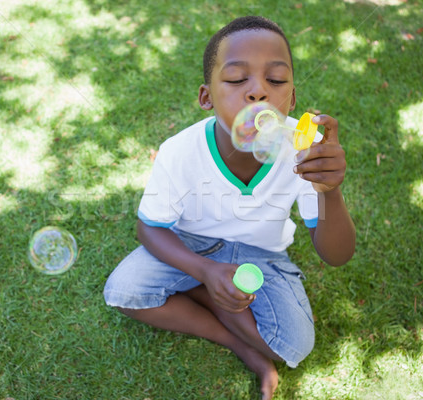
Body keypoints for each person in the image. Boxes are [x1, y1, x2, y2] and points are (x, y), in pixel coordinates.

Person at [104, 16, 356, 400]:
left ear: (291, 99)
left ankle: (217, 301)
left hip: (263, 257)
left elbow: (336, 254)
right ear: (207, 97)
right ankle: (233, 334)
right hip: (192, 245)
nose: (258, 91)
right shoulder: (180, 151)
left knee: (294, 347)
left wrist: (329, 191)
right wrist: (206, 271)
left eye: (276, 80)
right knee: (122, 290)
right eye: (237, 79)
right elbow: (149, 228)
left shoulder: (305, 151)